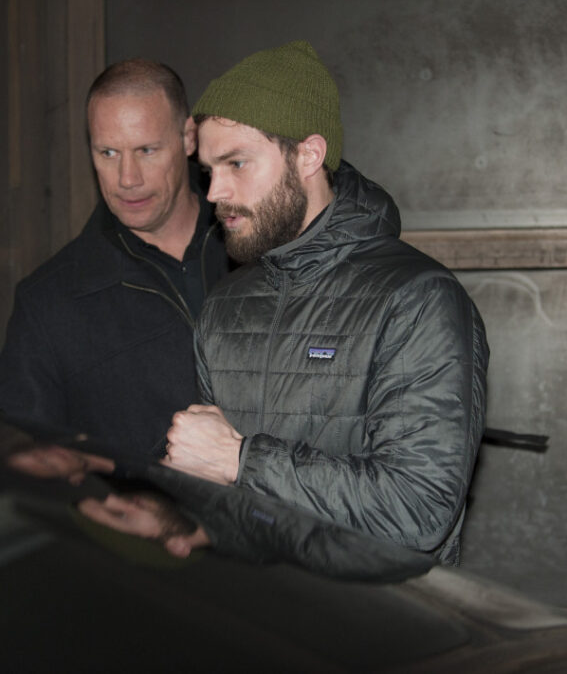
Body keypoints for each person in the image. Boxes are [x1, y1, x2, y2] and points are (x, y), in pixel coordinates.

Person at [81, 41, 489, 567]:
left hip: (379, 617)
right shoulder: (228, 304)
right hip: (259, 612)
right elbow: (228, 495)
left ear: (308, 156)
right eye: (209, 169)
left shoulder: (416, 299)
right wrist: (172, 515)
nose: (214, 191)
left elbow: (417, 510)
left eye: (236, 163)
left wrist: (239, 459)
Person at [0, 59, 230, 461]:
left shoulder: (260, 246)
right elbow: (20, 462)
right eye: (108, 152)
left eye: (146, 150)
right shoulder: (49, 301)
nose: (127, 178)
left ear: (188, 137)